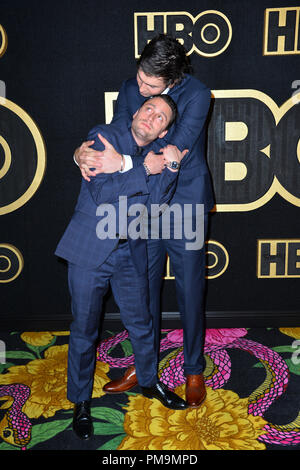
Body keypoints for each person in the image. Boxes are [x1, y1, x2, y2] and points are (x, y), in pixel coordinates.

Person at [74, 34, 215, 409]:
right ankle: (145, 367)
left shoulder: (199, 94)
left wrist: (122, 163)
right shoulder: (129, 87)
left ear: (172, 79)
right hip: (143, 203)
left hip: (184, 203)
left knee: (189, 291)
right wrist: (84, 152)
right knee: (142, 291)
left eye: (150, 86)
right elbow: (117, 135)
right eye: (139, 79)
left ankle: (193, 369)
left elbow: (174, 149)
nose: (140, 89)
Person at [56, 95, 188, 441]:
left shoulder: (159, 153)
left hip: (131, 251)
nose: (152, 117)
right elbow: (102, 193)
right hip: (90, 250)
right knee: (85, 329)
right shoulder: (104, 137)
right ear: (136, 111)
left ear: (165, 129)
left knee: (142, 323)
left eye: (161, 117)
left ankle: (148, 382)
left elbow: (157, 203)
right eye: (150, 109)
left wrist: (170, 168)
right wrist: (142, 167)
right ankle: (81, 400)